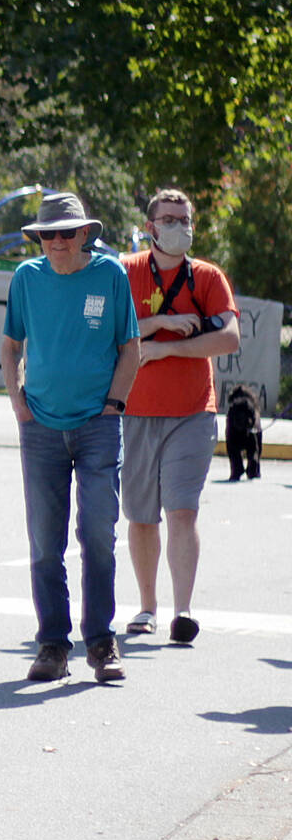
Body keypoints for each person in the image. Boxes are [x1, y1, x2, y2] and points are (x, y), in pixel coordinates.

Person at [1, 192, 141, 683]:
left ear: (85, 233)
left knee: (99, 534)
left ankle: (101, 642)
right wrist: (18, 403)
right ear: (37, 238)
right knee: (45, 542)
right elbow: (10, 345)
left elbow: (130, 348)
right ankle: (52, 645)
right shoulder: (26, 278)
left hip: (98, 425)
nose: (56, 242)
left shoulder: (110, 274)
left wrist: (113, 406)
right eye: (47, 234)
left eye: (66, 232)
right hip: (40, 425)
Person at [121, 187, 241, 646]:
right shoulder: (125, 272)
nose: (179, 227)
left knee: (182, 512)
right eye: (169, 219)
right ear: (150, 228)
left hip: (193, 412)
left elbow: (228, 339)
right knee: (141, 516)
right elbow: (107, 329)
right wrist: (152, 327)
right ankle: (147, 606)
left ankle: (183, 610)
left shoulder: (208, 278)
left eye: (185, 219)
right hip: (133, 412)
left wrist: (167, 349)